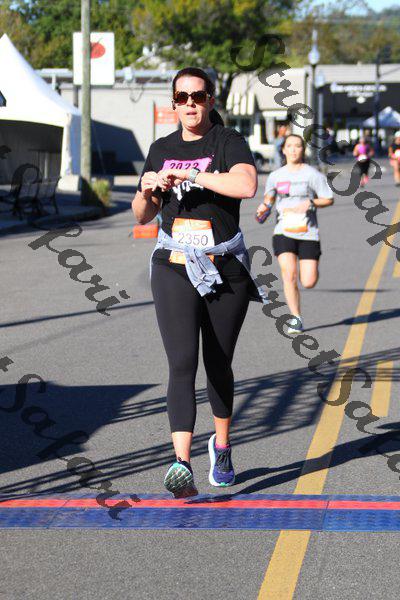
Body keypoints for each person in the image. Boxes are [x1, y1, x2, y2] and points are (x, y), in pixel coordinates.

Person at [132, 67, 266, 498]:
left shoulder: (227, 141)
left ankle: (221, 446)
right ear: (173, 102)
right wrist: (147, 188)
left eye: (198, 96)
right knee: (181, 362)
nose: (190, 103)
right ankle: (181, 463)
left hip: (224, 266)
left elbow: (246, 184)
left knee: (218, 362)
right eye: (182, 97)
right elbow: (143, 215)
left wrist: (192, 175)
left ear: (210, 100)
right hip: (173, 263)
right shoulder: (161, 148)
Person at [255, 134, 334, 333]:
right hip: (283, 232)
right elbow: (269, 199)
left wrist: (311, 202)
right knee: (289, 275)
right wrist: (264, 208)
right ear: (283, 150)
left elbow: (328, 198)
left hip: (308, 233)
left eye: (297, 146)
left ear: (302, 149)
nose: (293, 149)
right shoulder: (276, 176)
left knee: (308, 281)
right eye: (289, 146)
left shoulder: (312, 174)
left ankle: (312, 271)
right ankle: (296, 317)